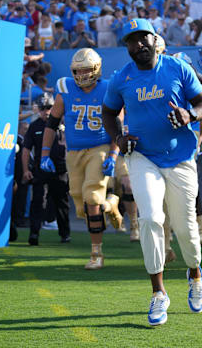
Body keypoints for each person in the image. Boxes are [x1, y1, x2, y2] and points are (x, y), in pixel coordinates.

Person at [102, 18, 202, 326]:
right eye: (133, 40)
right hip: (142, 157)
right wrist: (118, 137)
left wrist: (190, 114)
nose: (139, 44)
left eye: (144, 38)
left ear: (155, 39)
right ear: (127, 47)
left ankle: (196, 275)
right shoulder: (121, 78)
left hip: (181, 156)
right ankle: (159, 293)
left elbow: (200, 101)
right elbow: (108, 111)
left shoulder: (178, 68)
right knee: (149, 219)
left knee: (186, 227)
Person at [41, 48, 123, 270]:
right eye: (78, 70)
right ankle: (111, 204)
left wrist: (114, 154)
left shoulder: (108, 88)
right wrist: (45, 153)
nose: (82, 75)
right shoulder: (65, 88)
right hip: (73, 153)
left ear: (96, 69)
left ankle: (97, 254)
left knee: (92, 197)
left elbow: (118, 126)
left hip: (99, 148)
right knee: (82, 207)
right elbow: (52, 123)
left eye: (87, 70)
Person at [22, 92, 71, 245]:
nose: (46, 111)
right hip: (41, 170)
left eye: (49, 107)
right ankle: (34, 234)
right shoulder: (34, 126)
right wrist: (25, 170)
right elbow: (26, 149)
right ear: (38, 109)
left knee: (61, 202)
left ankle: (65, 234)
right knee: (38, 201)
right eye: (43, 108)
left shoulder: (64, 124)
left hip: (61, 169)